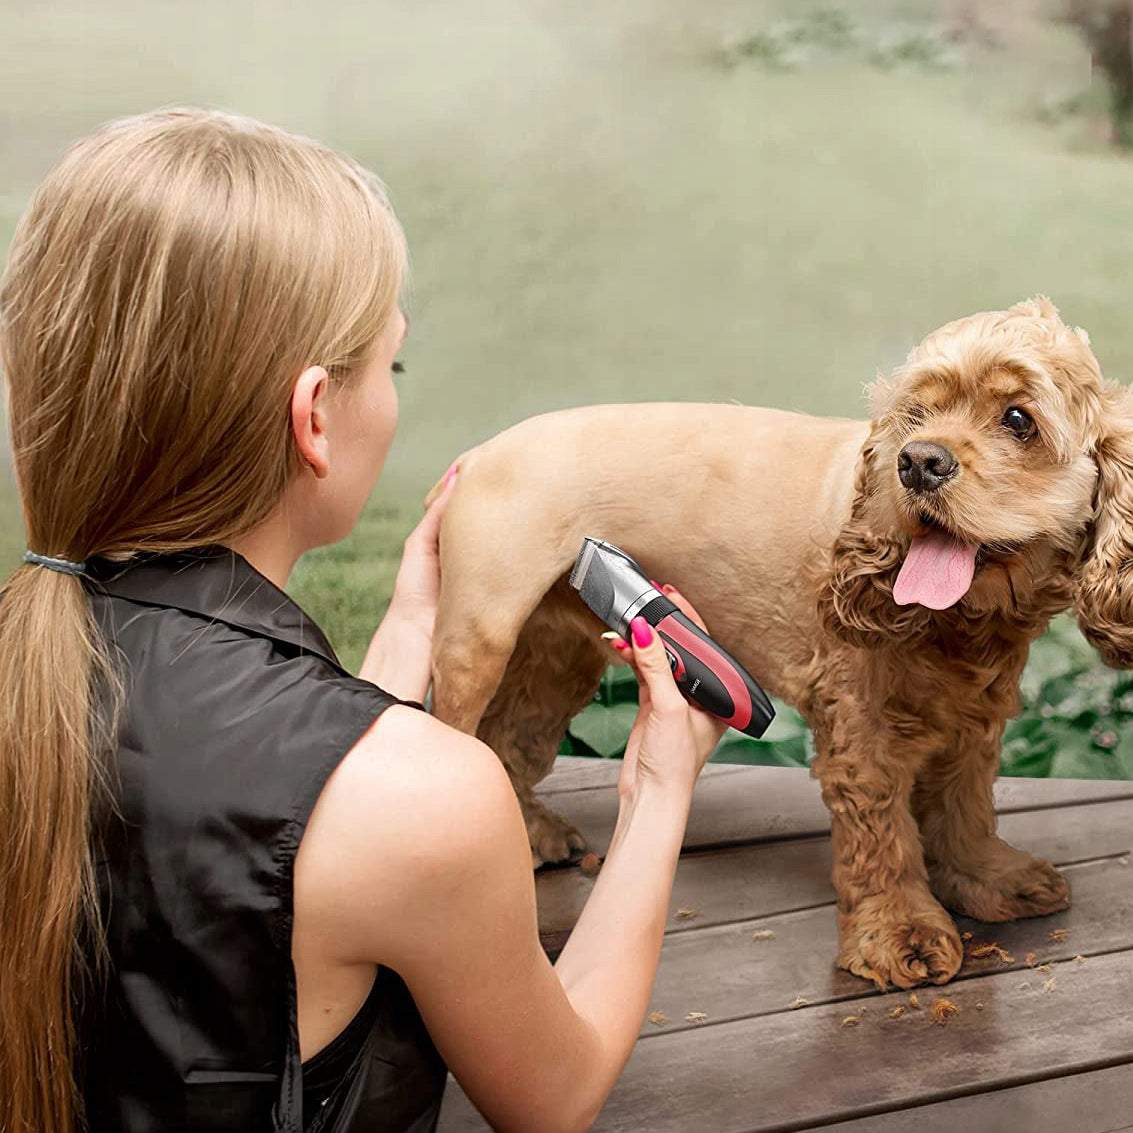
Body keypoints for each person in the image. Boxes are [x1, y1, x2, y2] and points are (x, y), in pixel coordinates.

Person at [0, 107, 728, 1133]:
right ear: (313, 418)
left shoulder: (34, 654)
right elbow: (554, 1092)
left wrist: (404, 631)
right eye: (391, 365)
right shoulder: (424, 802)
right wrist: (659, 783)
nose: (389, 397)